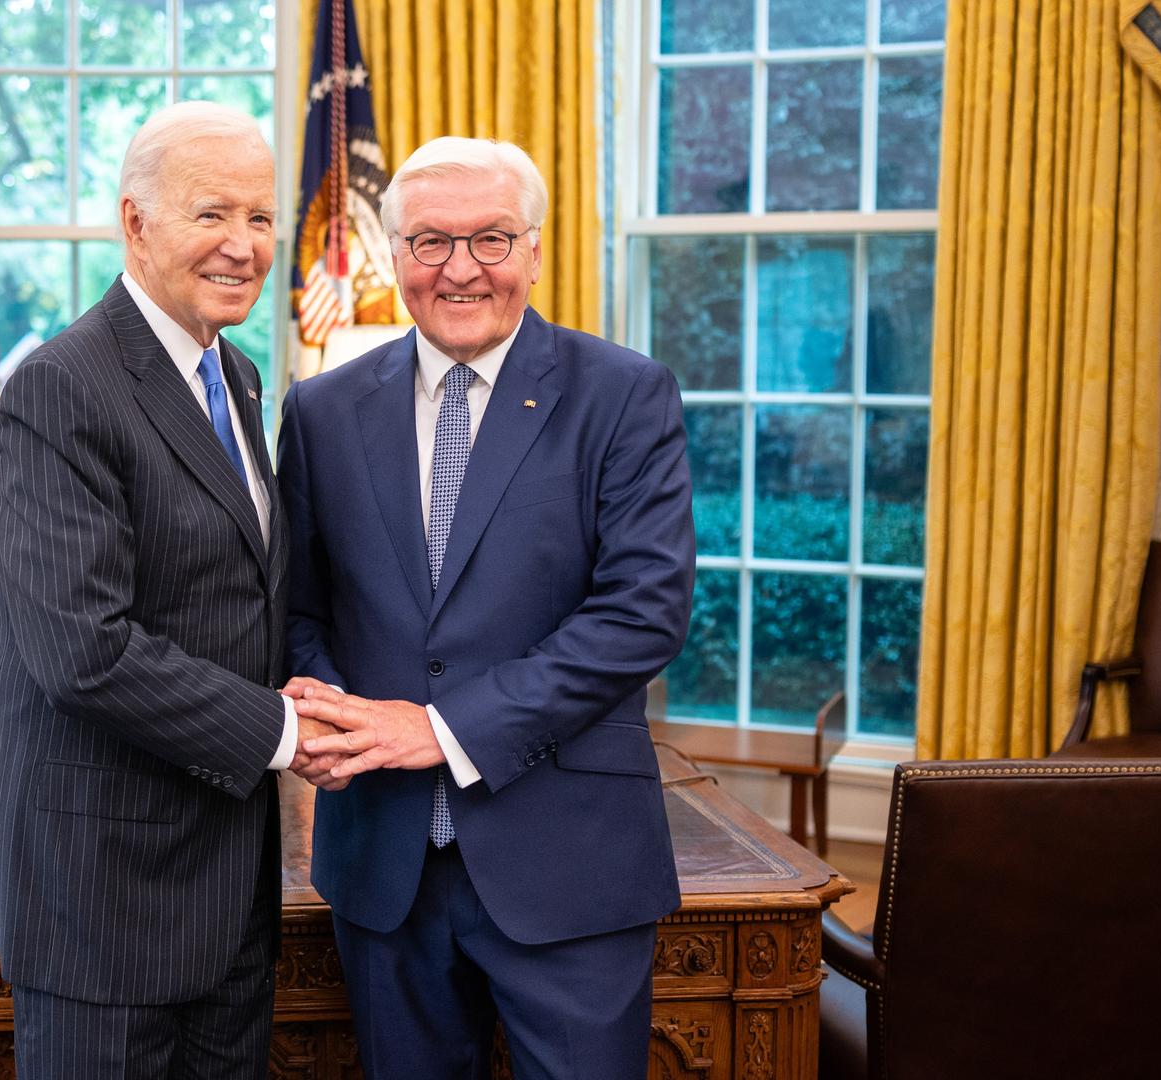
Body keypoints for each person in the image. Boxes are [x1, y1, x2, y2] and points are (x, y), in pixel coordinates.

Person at [277, 136, 697, 1078]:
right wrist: (339, 720)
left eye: (492, 239)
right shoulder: (322, 411)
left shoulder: (624, 394)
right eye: (429, 242)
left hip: (570, 867)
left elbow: (642, 615)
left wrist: (438, 728)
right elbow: (299, 610)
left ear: (536, 251)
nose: (460, 269)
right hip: (382, 872)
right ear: (395, 257)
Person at [0, 101, 320, 1079]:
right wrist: (286, 735)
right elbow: (84, 652)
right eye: (212, 214)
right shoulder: (61, 387)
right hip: (106, 907)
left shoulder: (239, 374)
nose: (244, 246)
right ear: (135, 222)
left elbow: (239, 596)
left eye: (261, 218)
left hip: (228, 890)